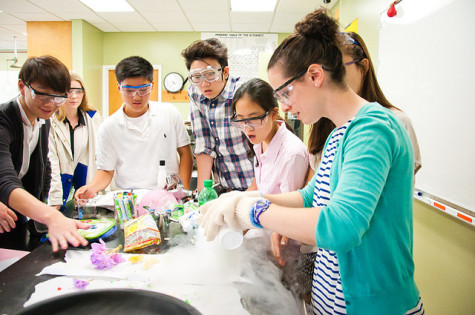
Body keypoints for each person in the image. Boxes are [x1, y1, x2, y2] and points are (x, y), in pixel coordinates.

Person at [199, 9, 424, 315]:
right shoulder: (338, 135)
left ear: (316, 75)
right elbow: (309, 197)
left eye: (286, 92)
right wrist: (248, 196)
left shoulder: (374, 128)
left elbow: (342, 226)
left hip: (374, 305)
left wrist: (251, 211)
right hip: (330, 301)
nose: (285, 106)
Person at [306, 31, 422, 182]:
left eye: (338, 70)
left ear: (363, 67)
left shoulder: (395, 122)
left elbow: (395, 190)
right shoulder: (325, 125)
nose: (331, 80)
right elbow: (311, 192)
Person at [0, 55, 89, 252]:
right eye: (43, 95)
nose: (51, 104)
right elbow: (5, 179)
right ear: (22, 87)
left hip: (15, 215)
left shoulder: (42, 120)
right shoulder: (4, 120)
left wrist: (42, 207)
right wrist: (51, 216)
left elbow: (44, 165)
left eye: (58, 97)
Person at [75, 56, 192, 200]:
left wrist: (183, 192)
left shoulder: (169, 113)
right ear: (119, 87)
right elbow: (106, 170)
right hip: (130, 198)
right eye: (129, 90)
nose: (136, 97)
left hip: (168, 196)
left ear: (152, 86)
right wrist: (91, 187)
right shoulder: (108, 127)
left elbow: (185, 153)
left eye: (143, 90)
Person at [182, 38, 254, 192]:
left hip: (255, 184)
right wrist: (203, 193)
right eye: (196, 76)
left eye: (210, 74)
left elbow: (263, 146)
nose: (204, 83)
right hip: (225, 187)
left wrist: (249, 194)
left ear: (225, 72)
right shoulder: (195, 93)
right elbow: (203, 145)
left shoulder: (243, 92)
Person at [230, 78, 308, 194]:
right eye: (241, 120)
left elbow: (290, 208)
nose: (247, 128)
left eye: (254, 119)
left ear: (273, 114)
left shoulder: (292, 154)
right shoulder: (261, 142)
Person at [48, 72, 102, 210]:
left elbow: (99, 154)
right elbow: (51, 161)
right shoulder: (50, 121)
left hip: (83, 175)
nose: (73, 96)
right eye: (68, 91)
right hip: (57, 179)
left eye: (78, 91)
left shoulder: (92, 118)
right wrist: (55, 199)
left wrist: (97, 186)